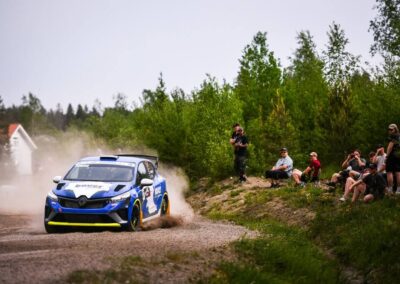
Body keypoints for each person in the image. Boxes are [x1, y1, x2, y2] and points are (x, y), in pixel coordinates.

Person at [385, 123, 400, 194]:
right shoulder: (399, 136)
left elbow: (390, 146)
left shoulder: (393, 136)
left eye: (391, 129)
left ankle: (390, 189)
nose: (390, 131)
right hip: (398, 155)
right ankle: (398, 189)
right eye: (389, 129)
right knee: (398, 172)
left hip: (392, 155)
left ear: (395, 129)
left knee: (389, 172)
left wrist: (387, 156)